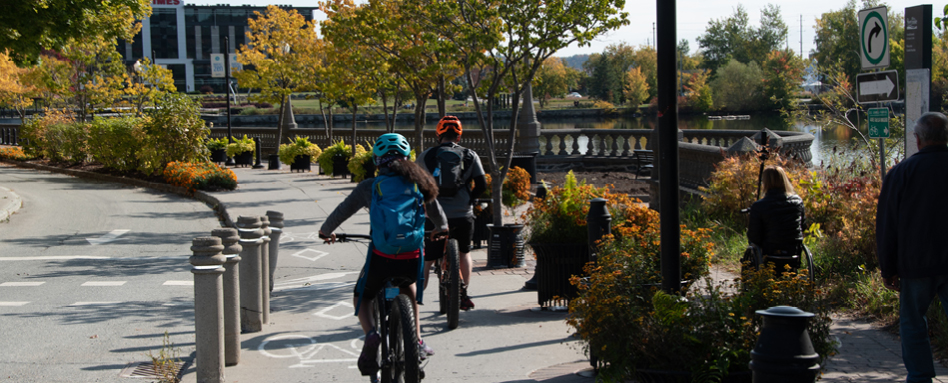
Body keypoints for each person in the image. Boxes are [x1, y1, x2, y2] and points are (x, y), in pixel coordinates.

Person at [319, 133, 448, 379]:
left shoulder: (369, 186)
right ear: (408, 158)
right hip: (411, 255)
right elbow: (438, 214)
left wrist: (326, 231)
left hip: (381, 255)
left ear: (377, 161)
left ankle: (371, 334)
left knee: (362, 296)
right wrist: (441, 229)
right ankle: (417, 340)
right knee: (409, 291)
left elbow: (342, 210)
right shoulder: (419, 183)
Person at [876, 112, 948, 383]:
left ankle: (920, 377)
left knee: (913, 323)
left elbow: (887, 224)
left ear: (918, 140)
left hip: (915, 263)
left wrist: (888, 268)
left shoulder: (902, 172)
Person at [418, 115, 487, 310]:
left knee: (428, 259)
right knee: (464, 253)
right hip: (462, 214)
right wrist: (470, 200)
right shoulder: (470, 155)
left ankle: (415, 299)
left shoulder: (426, 156)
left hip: (434, 215)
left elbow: (416, 184)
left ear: (438, 134)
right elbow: (481, 184)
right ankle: (463, 291)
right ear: (458, 136)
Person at [746, 165, 806, 269]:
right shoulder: (797, 201)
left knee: (753, 241)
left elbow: (754, 236)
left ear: (765, 182)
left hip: (769, 250)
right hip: (793, 250)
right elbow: (802, 226)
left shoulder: (759, 206)